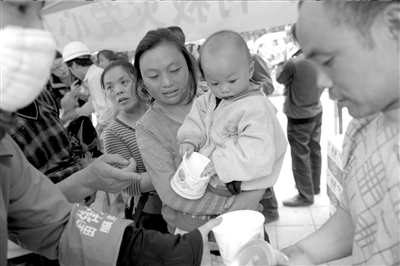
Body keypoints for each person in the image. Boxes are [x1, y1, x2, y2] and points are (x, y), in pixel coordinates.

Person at [1, 2, 223, 266]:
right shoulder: (141, 128)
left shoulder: (214, 99)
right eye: (22, 8)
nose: (40, 32)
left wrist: (184, 251)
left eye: (38, 14)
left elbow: (57, 223)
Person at [282, 2, 399, 265]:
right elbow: (355, 215)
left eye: (327, 61)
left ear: (394, 27)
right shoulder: (361, 128)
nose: (321, 82)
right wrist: (300, 253)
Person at [134, 28, 274, 238]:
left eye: (174, 70)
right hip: (193, 236)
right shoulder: (148, 127)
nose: (166, 82)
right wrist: (235, 205)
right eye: (153, 75)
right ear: (142, 80)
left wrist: (255, 193)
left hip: (247, 226)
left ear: (190, 66)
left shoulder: (221, 93)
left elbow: (266, 148)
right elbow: (171, 192)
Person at [177, 29, 286, 220]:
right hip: (213, 181)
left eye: (232, 80)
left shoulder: (256, 108)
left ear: (250, 70)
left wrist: (221, 163)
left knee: (241, 230)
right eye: (214, 83)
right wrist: (189, 139)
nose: (224, 88)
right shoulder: (210, 99)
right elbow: (196, 119)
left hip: (239, 185)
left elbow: (257, 152)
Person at [102, 60, 167, 232]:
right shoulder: (113, 134)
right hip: (154, 215)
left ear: (138, 80)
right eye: (110, 87)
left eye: (124, 82)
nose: (118, 90)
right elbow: (128, 184)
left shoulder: (163, 109)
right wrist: (176, 173)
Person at [276, 23, 323, 207]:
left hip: (298, 116)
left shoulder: (294, 63)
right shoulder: (321, 57)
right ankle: (314, 186)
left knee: (300, 156)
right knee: (314, 150)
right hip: (316, 110)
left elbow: (280, 78)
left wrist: (285, 60)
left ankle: (305, 195)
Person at [62, 41, 117, 139]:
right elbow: (93, 104)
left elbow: (108, 108)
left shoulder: (94, 77)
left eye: (70, 70)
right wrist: (73, 114)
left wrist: (98, 128)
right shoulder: (96, 74)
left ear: (74, 65)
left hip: (114, 130)